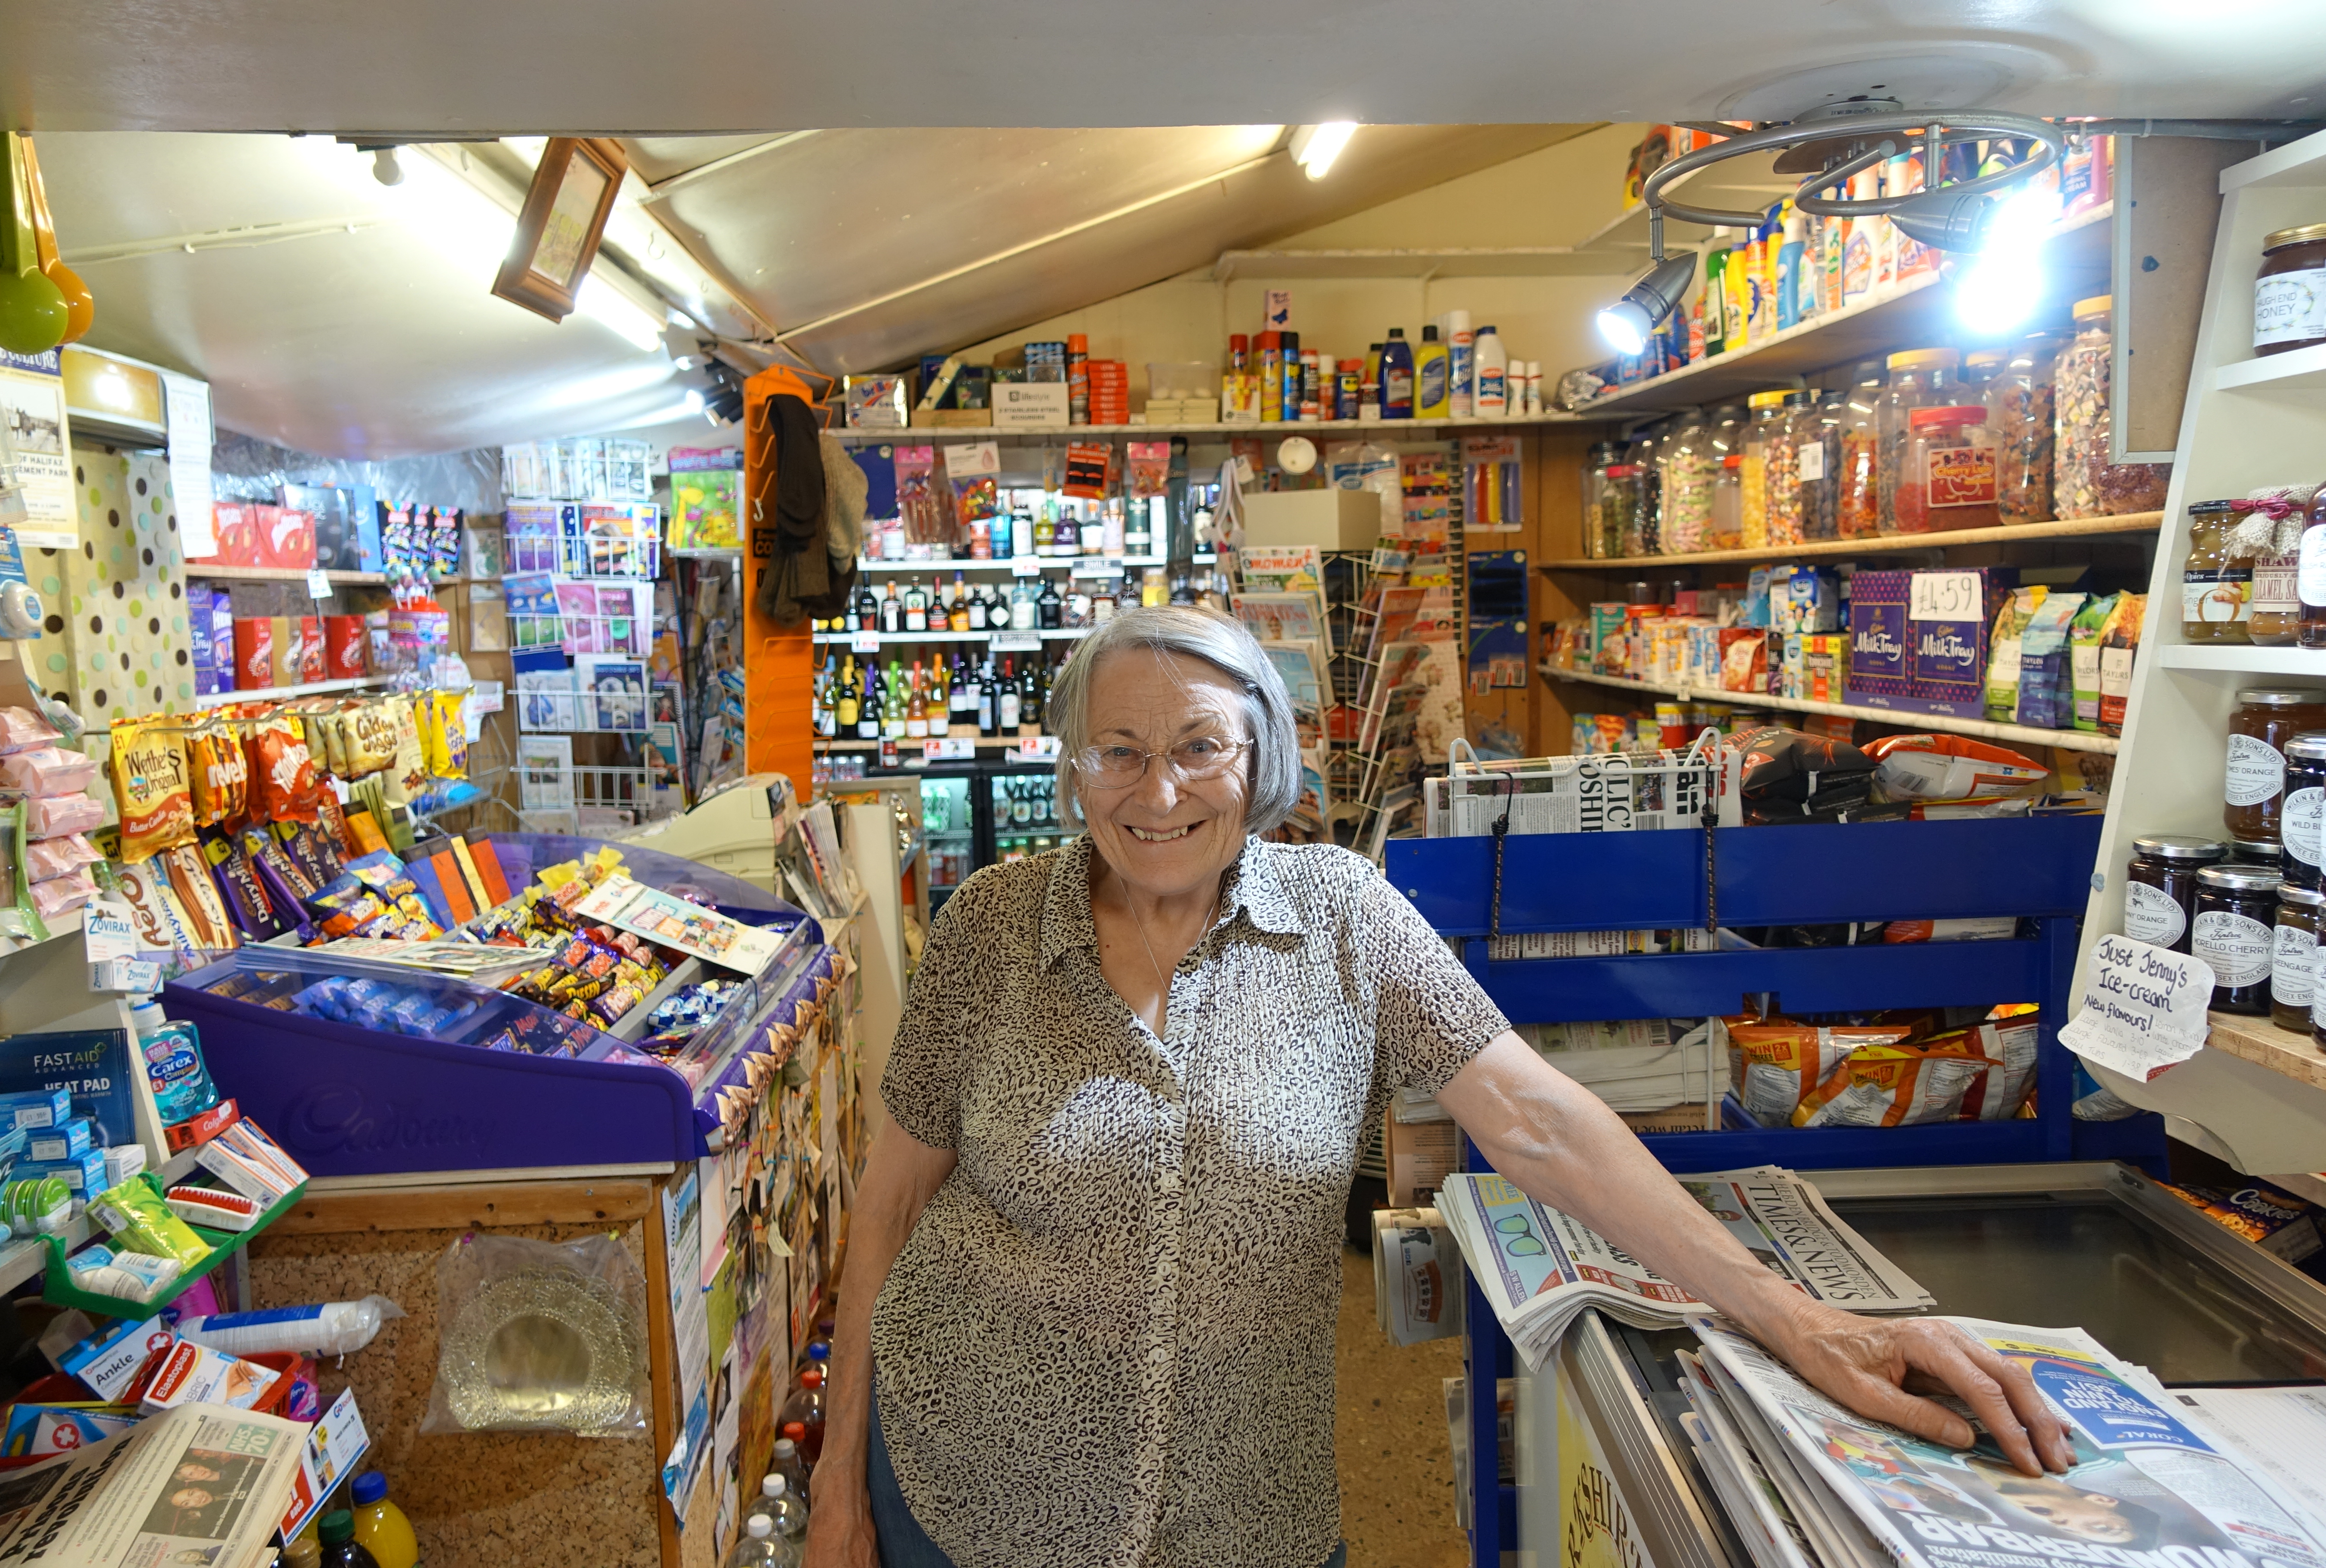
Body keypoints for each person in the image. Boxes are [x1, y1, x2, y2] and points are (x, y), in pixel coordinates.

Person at [807, 607, 2071, 1568]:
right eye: (1118, 753)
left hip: (1243, 1506)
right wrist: (837, 1488)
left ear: (1262, 758)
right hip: (973, 1479)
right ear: (1074, 768)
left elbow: (1536, 1115)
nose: (1160, 792)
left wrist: (1800, 1320)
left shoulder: (1345, 916)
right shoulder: (991, 925)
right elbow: (891, 1207)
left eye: (1201, 747)